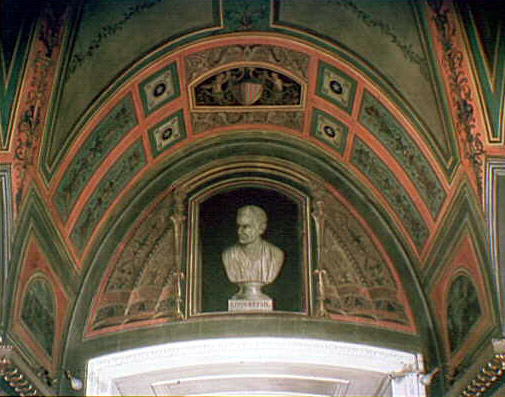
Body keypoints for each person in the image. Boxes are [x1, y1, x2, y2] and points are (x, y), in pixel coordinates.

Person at [222, 205, 284, 301]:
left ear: (261, 228)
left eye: (245, 227)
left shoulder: (275, 255)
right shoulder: (228, 255)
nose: (239, 231)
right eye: (238, 226)